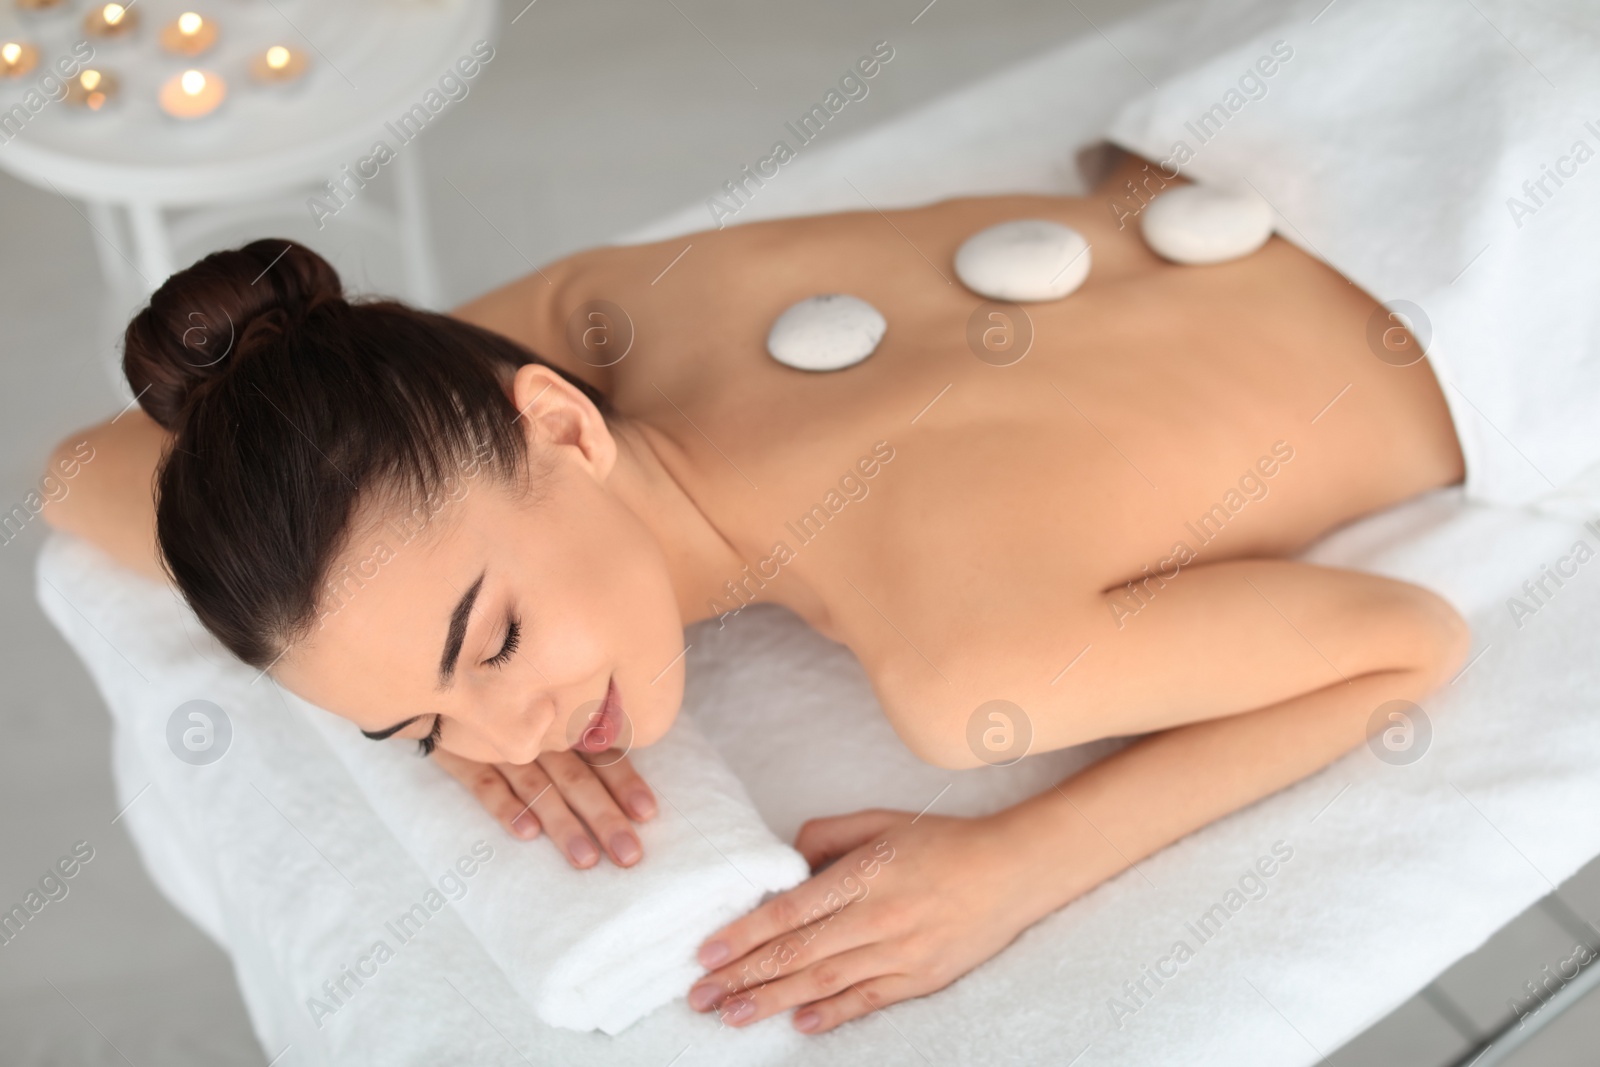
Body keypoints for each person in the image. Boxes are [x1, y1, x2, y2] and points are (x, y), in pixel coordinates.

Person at [45, 149, 1469, 1035]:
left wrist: (1011, 868)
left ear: (563, 428)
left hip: (1486, 262)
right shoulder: (570, 336)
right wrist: (445, 701)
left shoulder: (963, 659)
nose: (519, 737)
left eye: (498, 641)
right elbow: (83, 476)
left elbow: (1403, 647)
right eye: (419, 733)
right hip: (1277, 153)